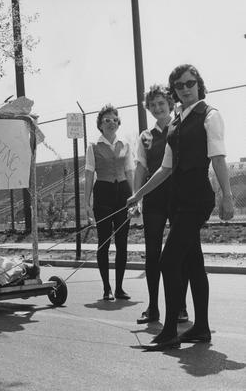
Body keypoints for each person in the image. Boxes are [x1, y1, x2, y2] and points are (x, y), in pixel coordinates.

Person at [128, 64, 234, 351]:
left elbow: (219, 158)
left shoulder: (209, 116)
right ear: (175, 91)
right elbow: (164, 168)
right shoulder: (176, 121)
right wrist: (138, 194)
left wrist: (227, 195)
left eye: (190, 83)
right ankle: (201, 328)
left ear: (199, 83)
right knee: (192, 263)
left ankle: (170, 331)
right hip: (178, 201)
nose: (185, 88)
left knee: (168, 261)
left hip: (197, 198)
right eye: (179, 85)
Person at [134, 85, 189, 325]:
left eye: (161, 103)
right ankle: (153, 307)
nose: (157, 108)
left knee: (182, 252)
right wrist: (136, 197)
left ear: (169, 103)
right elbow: (140, 168)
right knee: (153, 254)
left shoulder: (181, 127)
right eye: (152, 105)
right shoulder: (145, 136)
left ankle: (180, 307)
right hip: (154, 199)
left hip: (179, 198)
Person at [84, 104, 134, 301]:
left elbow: (130, 172)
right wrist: (87, 204)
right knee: (104, 242)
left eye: (114, 119)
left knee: (122, 243)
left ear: (118, 122)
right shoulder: (93, 147)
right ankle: (107, 288)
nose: (111, 123)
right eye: (107, 120)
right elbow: (89, 175)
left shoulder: (126, 145)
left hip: (123, 194)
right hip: (103, 194)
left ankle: (120, 287)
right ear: (100, 125)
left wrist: (135, 197)